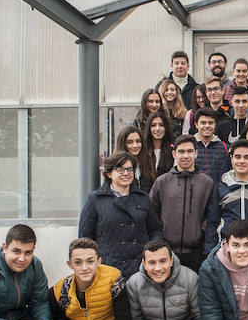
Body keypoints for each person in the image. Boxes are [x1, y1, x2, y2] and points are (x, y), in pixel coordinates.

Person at [79, 152, 162, 280]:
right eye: (120, 169)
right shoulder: (96, 199)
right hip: (108, 269)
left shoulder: (143, 198)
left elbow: (154, 229)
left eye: (129, 169)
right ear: (109, 173)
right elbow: (86, 237)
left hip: (141, 268)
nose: (126, 173)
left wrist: (152, 254)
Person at [150, 135, 215, 272]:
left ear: (196, 153)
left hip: (197, 253)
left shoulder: (207, 183)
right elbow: (152, 214)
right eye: (181, 151)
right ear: (174, 154)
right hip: (167, 252)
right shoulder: (162, 182)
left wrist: (201, 234)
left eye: (190, 151)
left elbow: (211, 216)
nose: (186, 156)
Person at [192, 107, 229, 184]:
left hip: (216, 193)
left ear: (215, 124)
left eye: (210, 123)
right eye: (203, 123)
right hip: (193, 192)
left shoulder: (225, 148)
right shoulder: (189, 146)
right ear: (196, 124)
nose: (207, 126)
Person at [114, 125, 155, 193]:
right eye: (130, 142)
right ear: (123, 144)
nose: (135, 145)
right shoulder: (115, 165)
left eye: (138, 141)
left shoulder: (147, 163)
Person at [143, 111, 175, 177]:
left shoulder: (172, 151)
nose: (157, 129)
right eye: (153, 125)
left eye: (161, 125)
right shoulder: (143, 151)